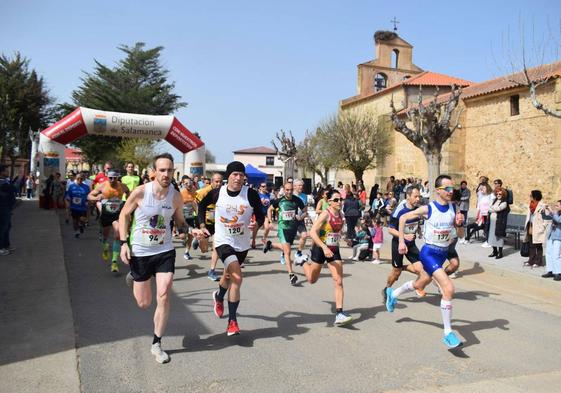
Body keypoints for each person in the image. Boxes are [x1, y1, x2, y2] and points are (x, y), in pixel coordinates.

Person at [119, 153, 186, 364]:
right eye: (162, 170)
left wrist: (188, 229)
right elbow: (124, 215)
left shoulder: (175, 196)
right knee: (144, 303)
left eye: (170, 170)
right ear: (154, 172)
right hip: (140, 251)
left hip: (164, 250)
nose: (167, 174)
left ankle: (157, 343)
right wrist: (123, 243)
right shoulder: (140, 193)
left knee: (164, 293)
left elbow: (180, 221)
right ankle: (134, 277)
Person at [388, 175, 465, 349]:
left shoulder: (454, 208)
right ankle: (448, 333)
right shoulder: (428, 208)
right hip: (429, 253)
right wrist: (401, 241)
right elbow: (401, 219)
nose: (451, 192)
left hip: (443, 253)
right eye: (448, 189)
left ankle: (393, 294)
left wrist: (459, 225)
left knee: (420, 283)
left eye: (452, 189)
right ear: (438, 191)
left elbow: (460, 236)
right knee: (449, 288)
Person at [194, 161, 265, 336]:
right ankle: (232, 321)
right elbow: (201, 206)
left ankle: (219, 296)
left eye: (241, 175)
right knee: (237, 277)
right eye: (235, 174)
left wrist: (257, 224)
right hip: (222, 240)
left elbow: (261, 215)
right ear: (228, 177)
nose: (238, 178)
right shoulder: (218, 193)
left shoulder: (251, 194)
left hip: (241, 243)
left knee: (228, 275)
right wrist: (202, 224)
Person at [298, 190, 353, 325]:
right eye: (336, 200)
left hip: (333, 249)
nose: (339, 202)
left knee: (338, 280)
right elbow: (312, 232)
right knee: (311, 279)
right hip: (320, 248)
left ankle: (339, 313)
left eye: (340, 199)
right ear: (329, 202)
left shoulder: (341, 214)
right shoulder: (325, 214)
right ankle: (303, 261)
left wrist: (346, 239)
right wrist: (324, 247)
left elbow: (337, 232)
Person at [382, 185, 425, 301]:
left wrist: (419, 231)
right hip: (398, 244)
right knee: (396, 273)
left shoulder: (418, 209)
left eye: (419, 197)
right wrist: (404, 236)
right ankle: (387, 288)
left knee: (421, 268)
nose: (418, 199)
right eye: (415, 197)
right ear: (408, 196)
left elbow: (416, 222)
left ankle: (416, 284)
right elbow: (390, 230)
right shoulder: (399, 210)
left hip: (411, 244)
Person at [263, 181, 306, 285]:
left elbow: (305, 210)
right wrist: (269, 220)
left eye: (291, 190)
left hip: (293, 228)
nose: (289, 192)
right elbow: (269, 209)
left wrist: (300, 217)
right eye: (287, 190)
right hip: (283, 228)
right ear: (284, 190)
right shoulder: (280, 200)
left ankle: (270, 245)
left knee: (287, 248)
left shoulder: (297, 200)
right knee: (288, 252)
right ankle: (291, 274)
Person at [88, 170, 130, 272]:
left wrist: (128, 203)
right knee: (105, 235)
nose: (112, 180)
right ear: (107, 177)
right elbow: (89, 196)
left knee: (117, 235)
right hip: (106, 214)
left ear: (118, 177)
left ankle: (114, 262)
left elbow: (129, 194)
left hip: (117, 213)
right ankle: (105, 246)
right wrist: (97, 197)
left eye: (114, 178)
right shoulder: (102, 186)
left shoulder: (122, 186)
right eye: (110, 178)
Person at [195, 173, 224, 282]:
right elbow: (199, 208)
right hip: (205, 223)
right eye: (216, 181)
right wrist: (201, 224)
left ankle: (212, 270)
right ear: (211, 181)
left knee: (216, 246)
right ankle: (197, 240)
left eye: (221, 181)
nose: (219, 183)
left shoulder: (224, 192)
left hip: (217, 224)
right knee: (204, 249)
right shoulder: (203, 192)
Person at [523, 190, 548, 268]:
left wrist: (542, 227)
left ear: (535, 197)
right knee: (531, 245)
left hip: (538, 228)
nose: (530, 197)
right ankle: (531, 260)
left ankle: (538, 261)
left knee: (538, 245)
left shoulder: (542, 206)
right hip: (530, 226)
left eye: (531, 196)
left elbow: (546, 219)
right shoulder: (530, 205)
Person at [65, 173, 90, 238]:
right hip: (74, 207)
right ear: (75, 178)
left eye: (81, 178)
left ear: (83, 179)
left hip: (83, 207)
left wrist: (88, 202)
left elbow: (89, 196)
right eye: (78, 178)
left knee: (82, 220)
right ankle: (77, 231)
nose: (79, 180)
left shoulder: (86, 187)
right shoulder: (71, 186)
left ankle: (81, 225)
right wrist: (68, 202)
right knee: (75, 221)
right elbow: (68, 195)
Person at [487, 187, 510, 259]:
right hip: (492, 222)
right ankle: (494, 251)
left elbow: (499, 209)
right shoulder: (494, 200)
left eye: (500, 194)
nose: (498, 195)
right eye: (497, 194)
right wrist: (493, 208)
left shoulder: (504, 202)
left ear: (503, 194)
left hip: (499, 222)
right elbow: (489, 209)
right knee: (492, 236)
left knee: (499, 237)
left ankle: (500, 252)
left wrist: (492, 207)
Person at [180, 177, 198, 260]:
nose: (189, 185)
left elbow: (195, 204)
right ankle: (184, 239)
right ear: (183, 184)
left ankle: (186, 252)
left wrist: (197, 213)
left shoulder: (194, 192)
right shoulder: (181, 193)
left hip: (190, 216)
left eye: (190, 183)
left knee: (190, 235)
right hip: (182, 216)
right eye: (186, 183)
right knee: (183, 236)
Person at [542, 200, 561, 280]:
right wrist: (543, 211)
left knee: (556, 255)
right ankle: (551, 271)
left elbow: (558, 220)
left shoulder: (557, 215)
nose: (556, 207)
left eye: (558, 205)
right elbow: (546, 217)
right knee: (548, 253)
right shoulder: (556, 214)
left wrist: (551, 211)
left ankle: (558, 273)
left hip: (558, 237)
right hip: (551, 236)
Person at [0, 165, 16, 256]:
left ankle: (6, 244)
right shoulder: (3, 183)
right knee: (3, 227)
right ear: (1, 173)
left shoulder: (5, 182)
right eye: (6, 171)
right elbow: (14, 188)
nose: (8, 172)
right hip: (3, 208)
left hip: (7, 208)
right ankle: (1, 247)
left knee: (7, 227)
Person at [293, 179, 310, 262]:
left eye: (302, 185)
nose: (301, 187)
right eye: (299, 185)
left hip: (300, 219)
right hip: (290, 220)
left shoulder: (305, 196)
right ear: (294, 186)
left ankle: (298, 252)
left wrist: (302, 216)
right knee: (289, 240)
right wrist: (295, 215)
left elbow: (305, 209)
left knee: (304, 235)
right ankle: (284, 253)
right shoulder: (290, 195)